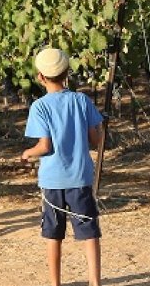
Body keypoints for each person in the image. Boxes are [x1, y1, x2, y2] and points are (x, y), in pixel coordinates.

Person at [20, 48, 104, 286]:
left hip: (52, 180)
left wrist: (27, 153)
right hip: (80, 177)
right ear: (67, 73)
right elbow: (96, 140)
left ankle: (55, 282)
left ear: (40, 77)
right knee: (89, 231)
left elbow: (44, 146)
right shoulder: (82, 100)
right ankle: (95, 282)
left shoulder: (39, 107)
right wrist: (99, 127)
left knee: (53, 234)